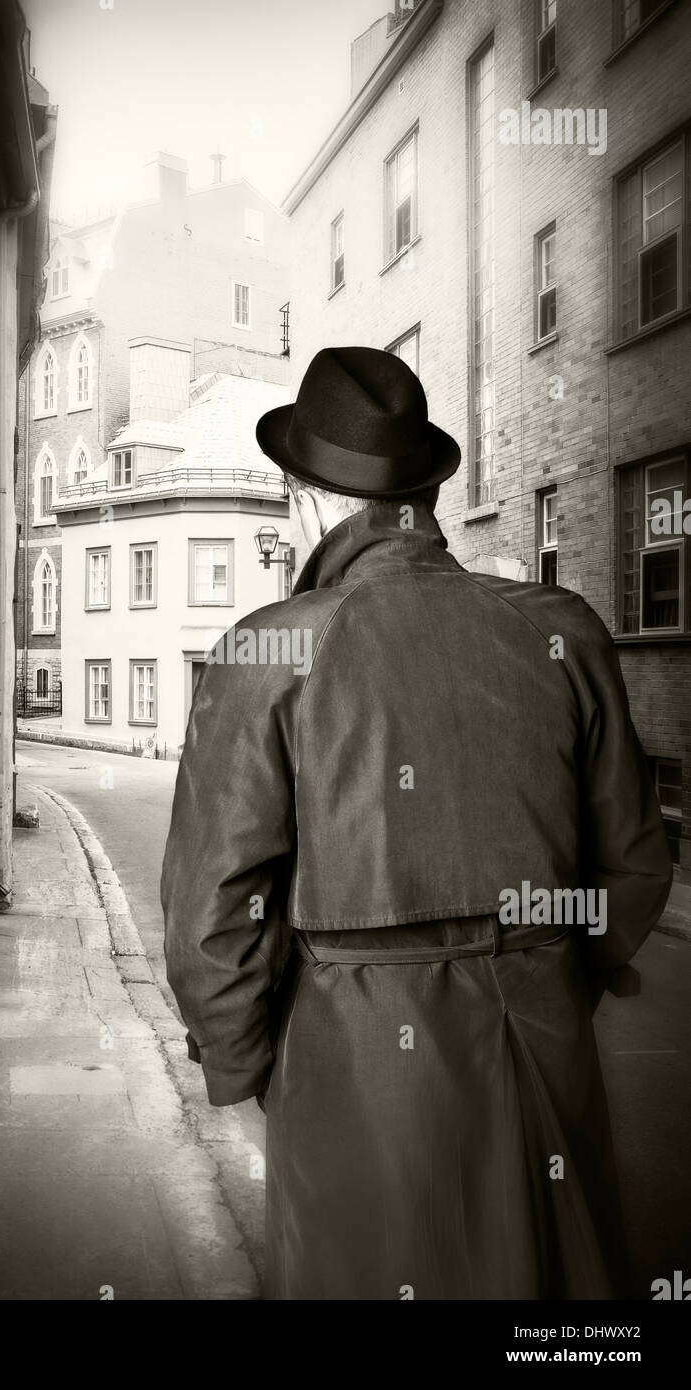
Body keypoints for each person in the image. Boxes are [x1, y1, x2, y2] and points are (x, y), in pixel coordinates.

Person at [160, 345, 673, 1300]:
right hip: (542, 1053)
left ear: (310, 501)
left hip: (353, 1079)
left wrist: (247, 1069)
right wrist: (549, 976)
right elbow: (637, 865)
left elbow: (212, 917)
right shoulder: (562, 631)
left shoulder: (267, 651)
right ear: (425, 496)